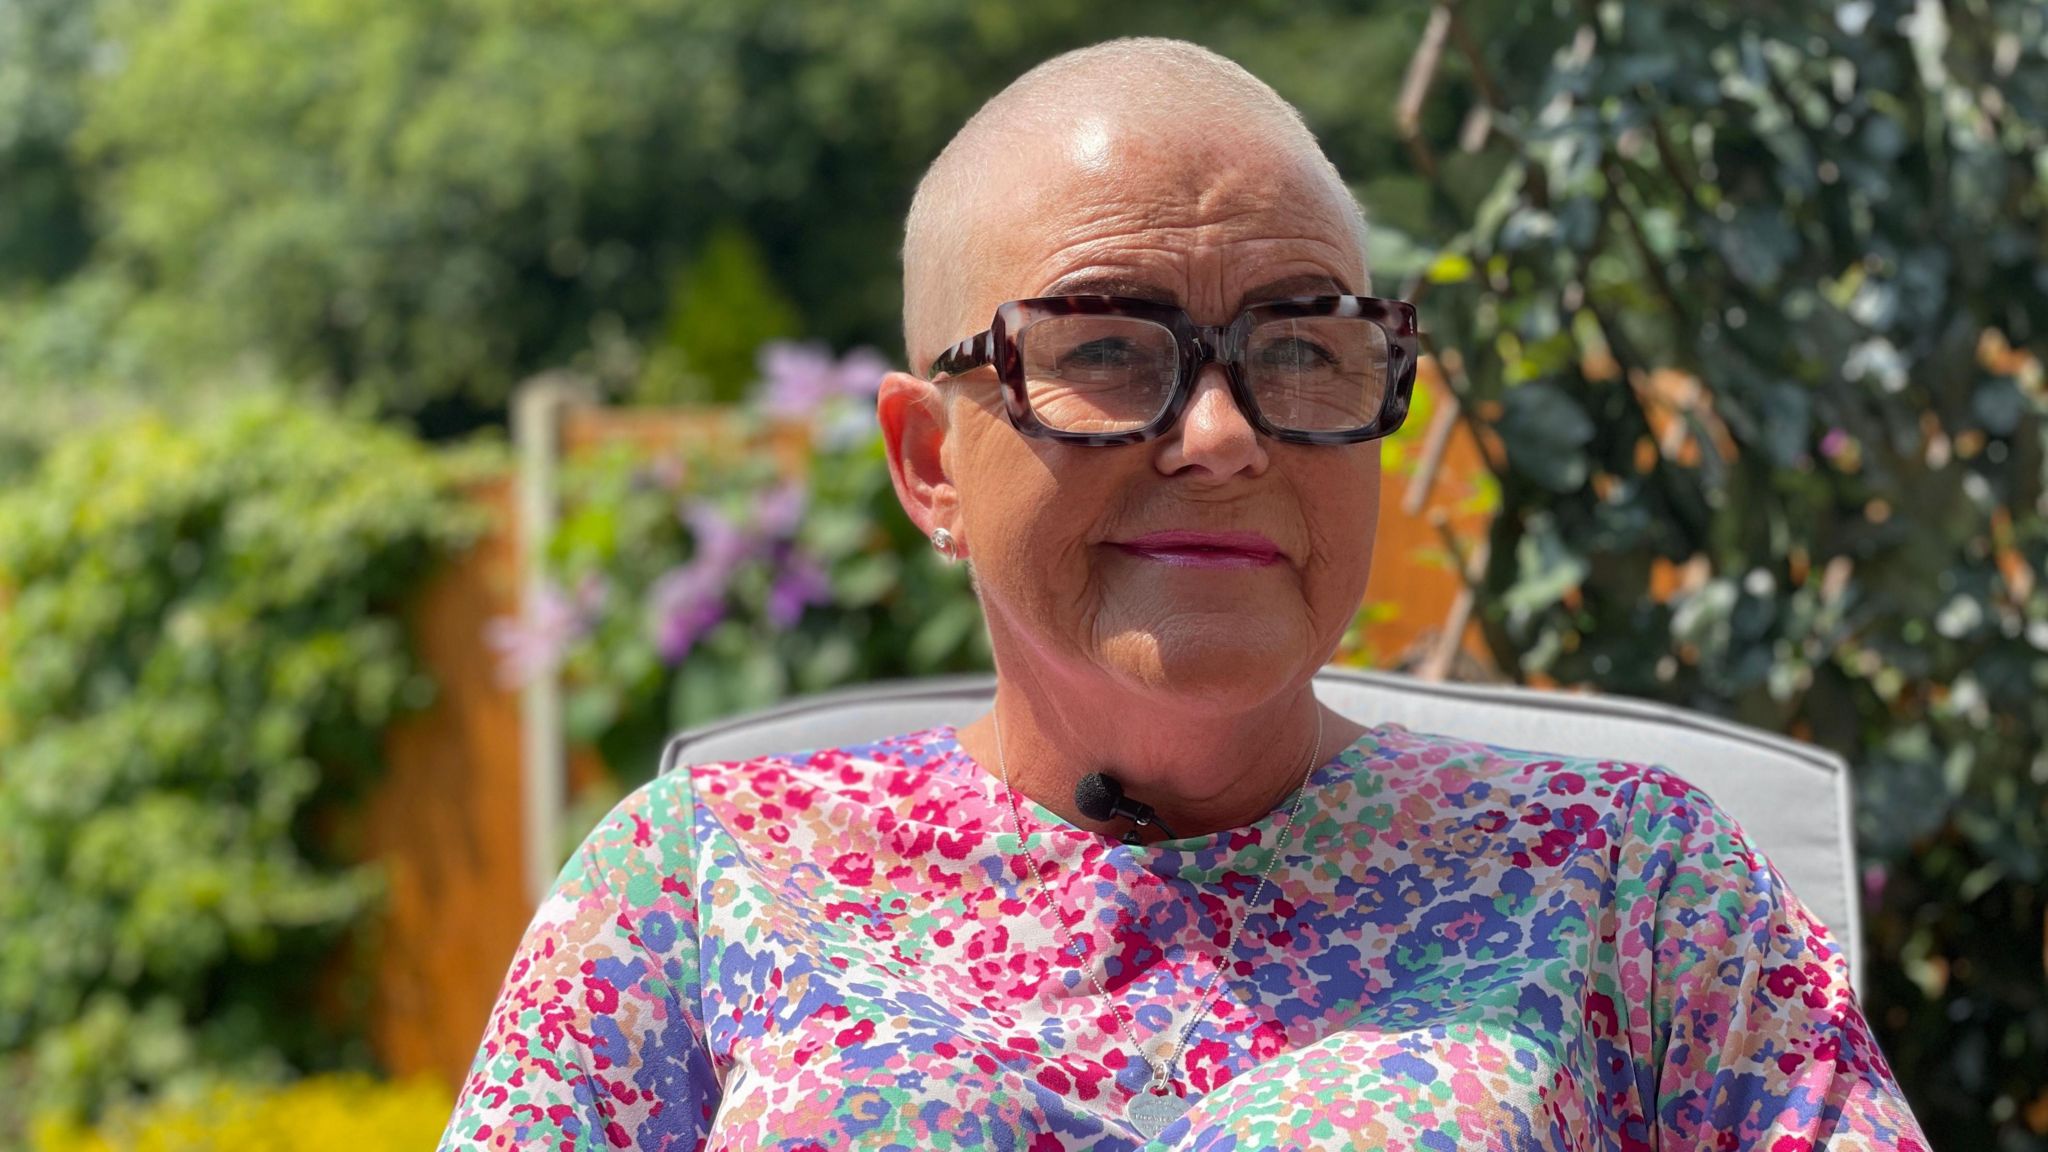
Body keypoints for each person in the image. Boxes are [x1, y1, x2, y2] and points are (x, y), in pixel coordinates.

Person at [438, 38, 1926, 1150]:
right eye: (1103, 348)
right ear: (927, 462)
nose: (1222, 437)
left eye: (1303, 345)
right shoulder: (698, 885)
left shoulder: (1627, 884)